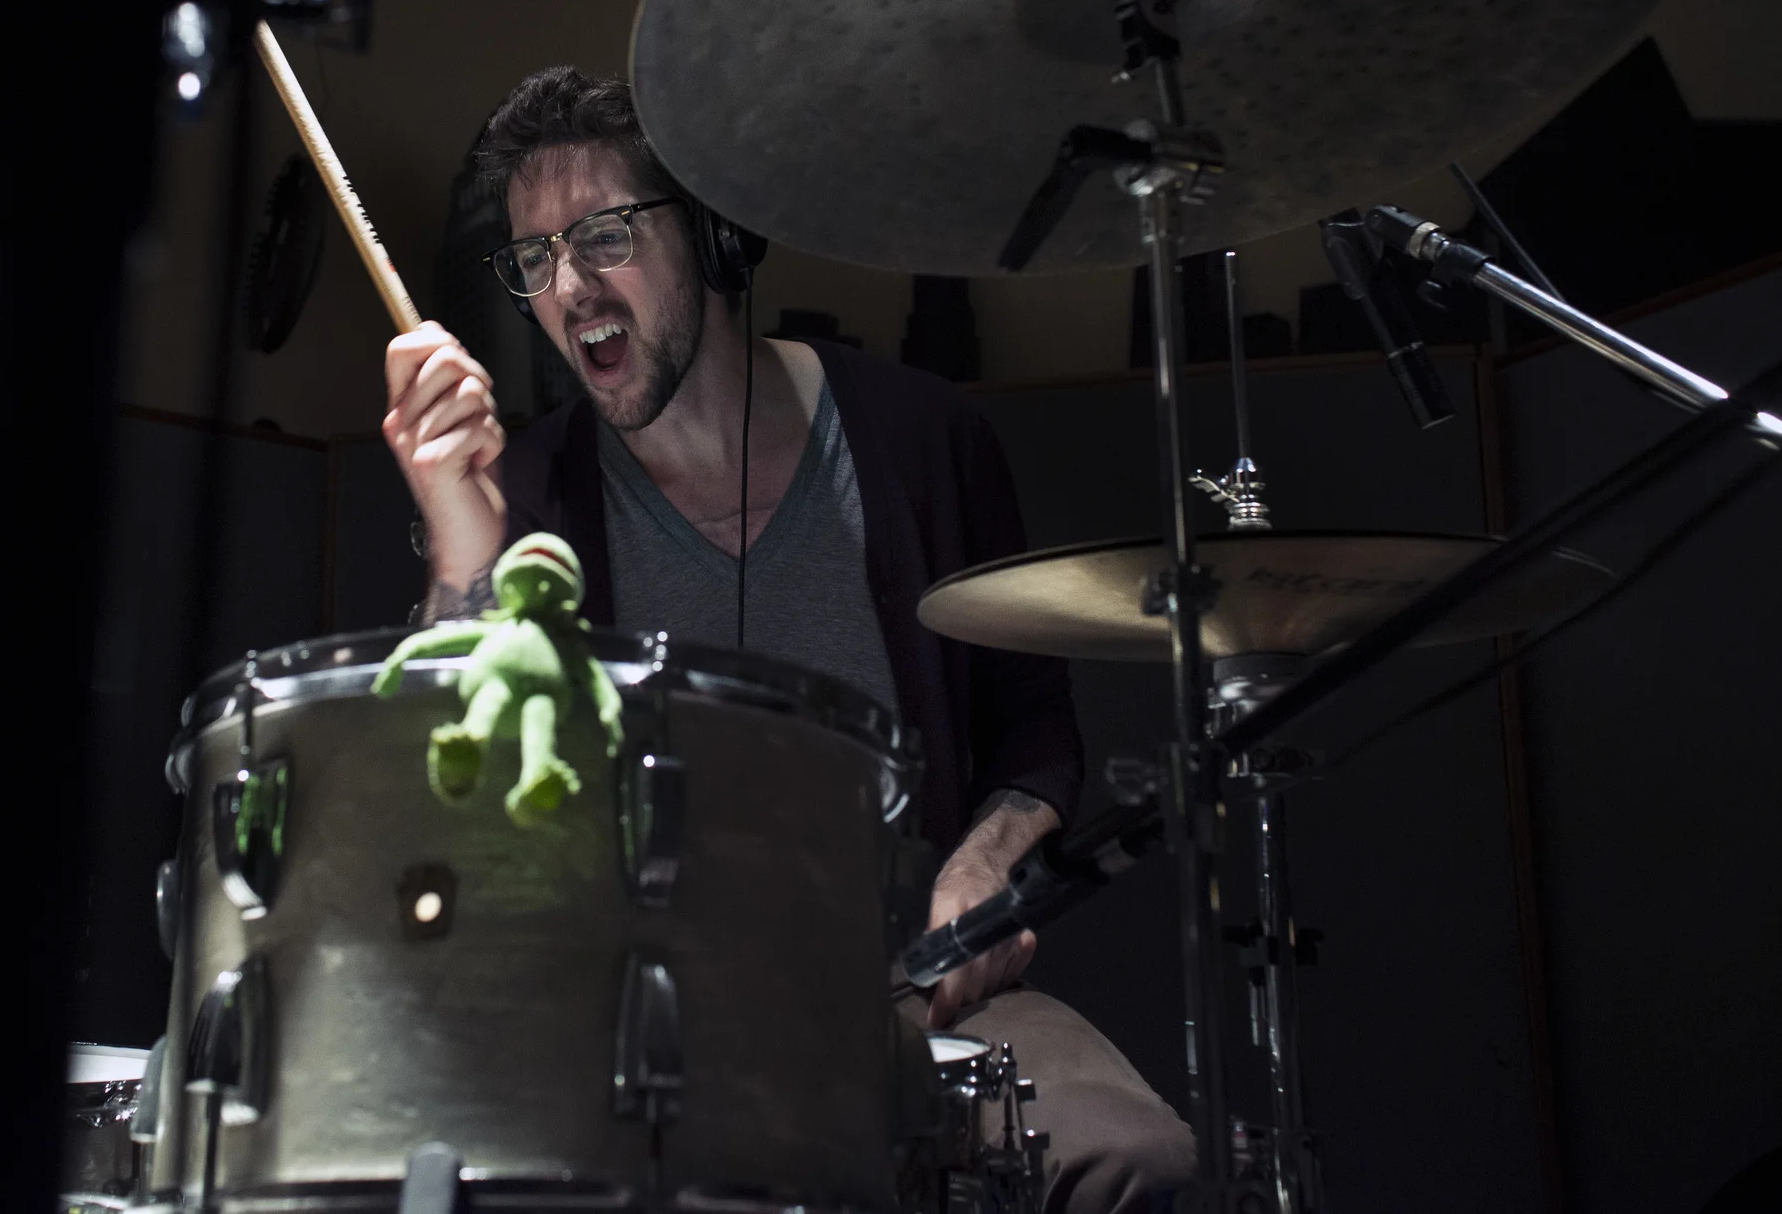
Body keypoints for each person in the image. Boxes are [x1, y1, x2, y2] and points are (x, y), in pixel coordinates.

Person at [382, 66, 1195, 1214]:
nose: (567, 286)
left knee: (1132, 1156)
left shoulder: (922, 439)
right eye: (534, 256)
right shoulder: (525, 488)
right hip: (630, 1017)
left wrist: (984, 867)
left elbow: (1034, 727)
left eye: (604, 235)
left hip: (914, 998)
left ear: (713, 234)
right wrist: (459, 543)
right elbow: (444, 797)